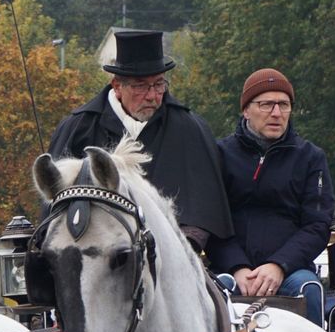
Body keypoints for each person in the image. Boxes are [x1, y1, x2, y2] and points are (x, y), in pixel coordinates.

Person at [48, 30, 233, 252]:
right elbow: (55, 208)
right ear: (117, 86)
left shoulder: (190, 129)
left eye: (158, 84)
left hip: (173, 256)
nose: (152, 95)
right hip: (94, 257)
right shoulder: (78, 129)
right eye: (141, 86)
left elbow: (206, 208)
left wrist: (180, 247)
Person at [206, 68, 334, 325]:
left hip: (290, 272)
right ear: (246, 109)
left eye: (284, 105)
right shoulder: (218, 155)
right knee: (209, 293)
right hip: (230, 270)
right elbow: (210, 220)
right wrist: (237, 267)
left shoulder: (311, 158)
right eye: (266, 104)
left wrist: (278, 265)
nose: (276, 113)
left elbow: (317, 225)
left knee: (311, 290)